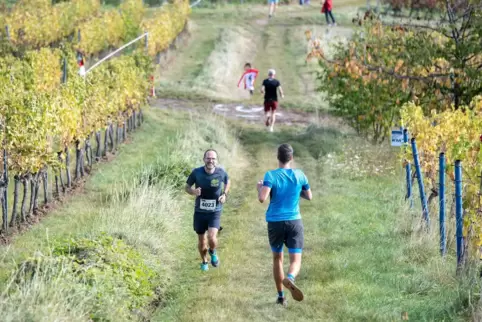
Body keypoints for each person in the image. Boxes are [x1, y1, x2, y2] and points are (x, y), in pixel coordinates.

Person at [256, 143, 312, 307]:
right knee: (296, 259)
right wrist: (295, 190)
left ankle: (281, 296)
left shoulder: (270, 176)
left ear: (277, 157)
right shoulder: (300, 175)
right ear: (291, 158)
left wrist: (259, 188)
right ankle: (291, 278)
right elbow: (309, 196)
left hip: (275, 222)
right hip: (294, 221)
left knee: (277, 258)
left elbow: (262, 198)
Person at [185, 149, 230, 272]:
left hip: (215, 210)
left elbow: (227, 181)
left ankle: (213, 251)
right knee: (202, 240)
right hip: (200, 211)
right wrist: (193, 192)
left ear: (216, 160)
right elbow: (187, 187)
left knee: (211, 237)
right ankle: (204, 260)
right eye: (208, 158)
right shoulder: (196, 172)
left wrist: (224, 194)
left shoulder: (221, 173)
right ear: (204, 159)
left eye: (213, 158)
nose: (211, 160)